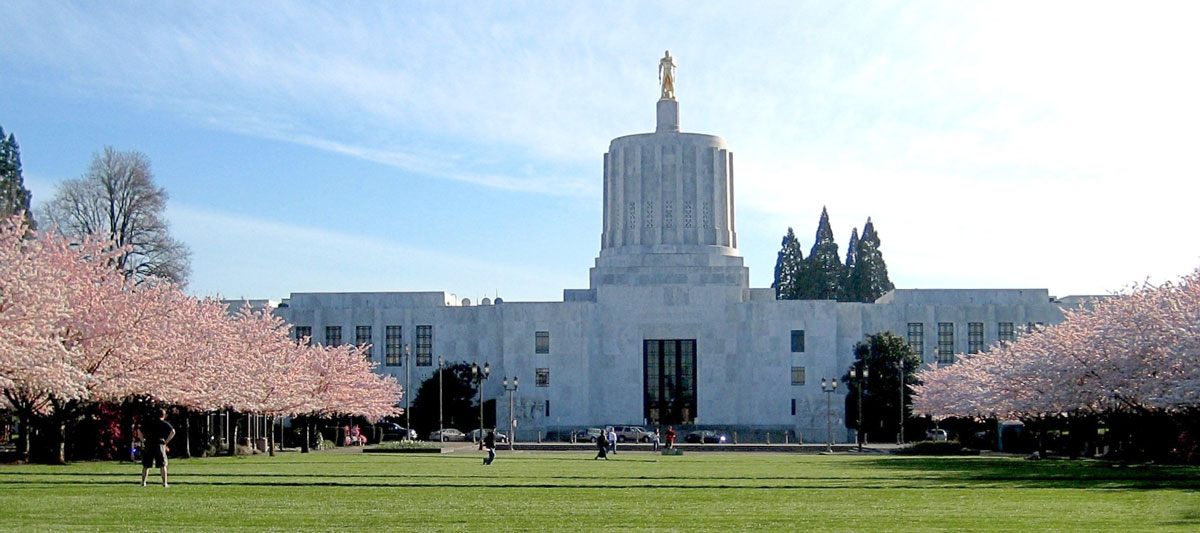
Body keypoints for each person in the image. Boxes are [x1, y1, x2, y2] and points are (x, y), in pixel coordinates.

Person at [139, 408, 175, 487]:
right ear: (163, 415)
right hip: (159, 444)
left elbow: (139, 430)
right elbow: (172, 431)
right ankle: (164, 483)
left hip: (149, 443)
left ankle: (143, 482)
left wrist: (142, 440)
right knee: (163, 464)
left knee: (146, 465)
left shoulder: (149, 422)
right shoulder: (164, 423)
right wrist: (166, 441)